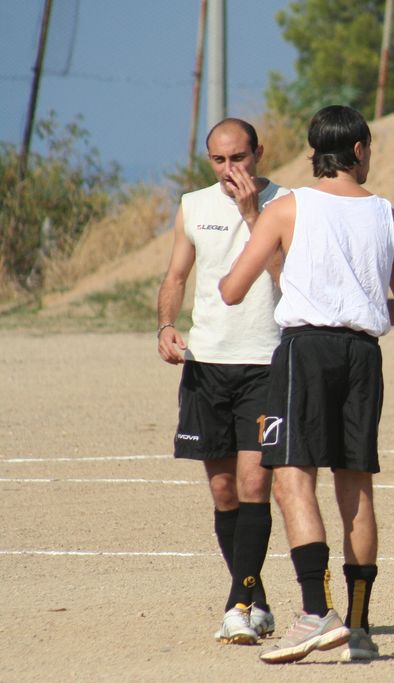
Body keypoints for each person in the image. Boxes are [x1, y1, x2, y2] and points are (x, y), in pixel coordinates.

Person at [219, 104, 394, 665]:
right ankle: (358, 629)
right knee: (355, 486)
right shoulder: (390, 216)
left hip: (305, 351)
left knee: (291, 478)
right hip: (363, 355)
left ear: (316, 153)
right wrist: (355, 298)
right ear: (358, 150)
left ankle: (315, 610)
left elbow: (233, 290)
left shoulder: (287, 208)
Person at [157, 118, 289, 645]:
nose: (230, 169)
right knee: (223, 491)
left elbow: (288, 277)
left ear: (259, 153)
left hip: (267, 363)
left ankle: (237, 605)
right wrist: (166, 325)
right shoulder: (193, 205)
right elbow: (176, 276)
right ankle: (257, 601)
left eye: (239, 157)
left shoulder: (287, 204)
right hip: (206, 366)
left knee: (256, 485)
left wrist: (253, 214)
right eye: (219, 160)